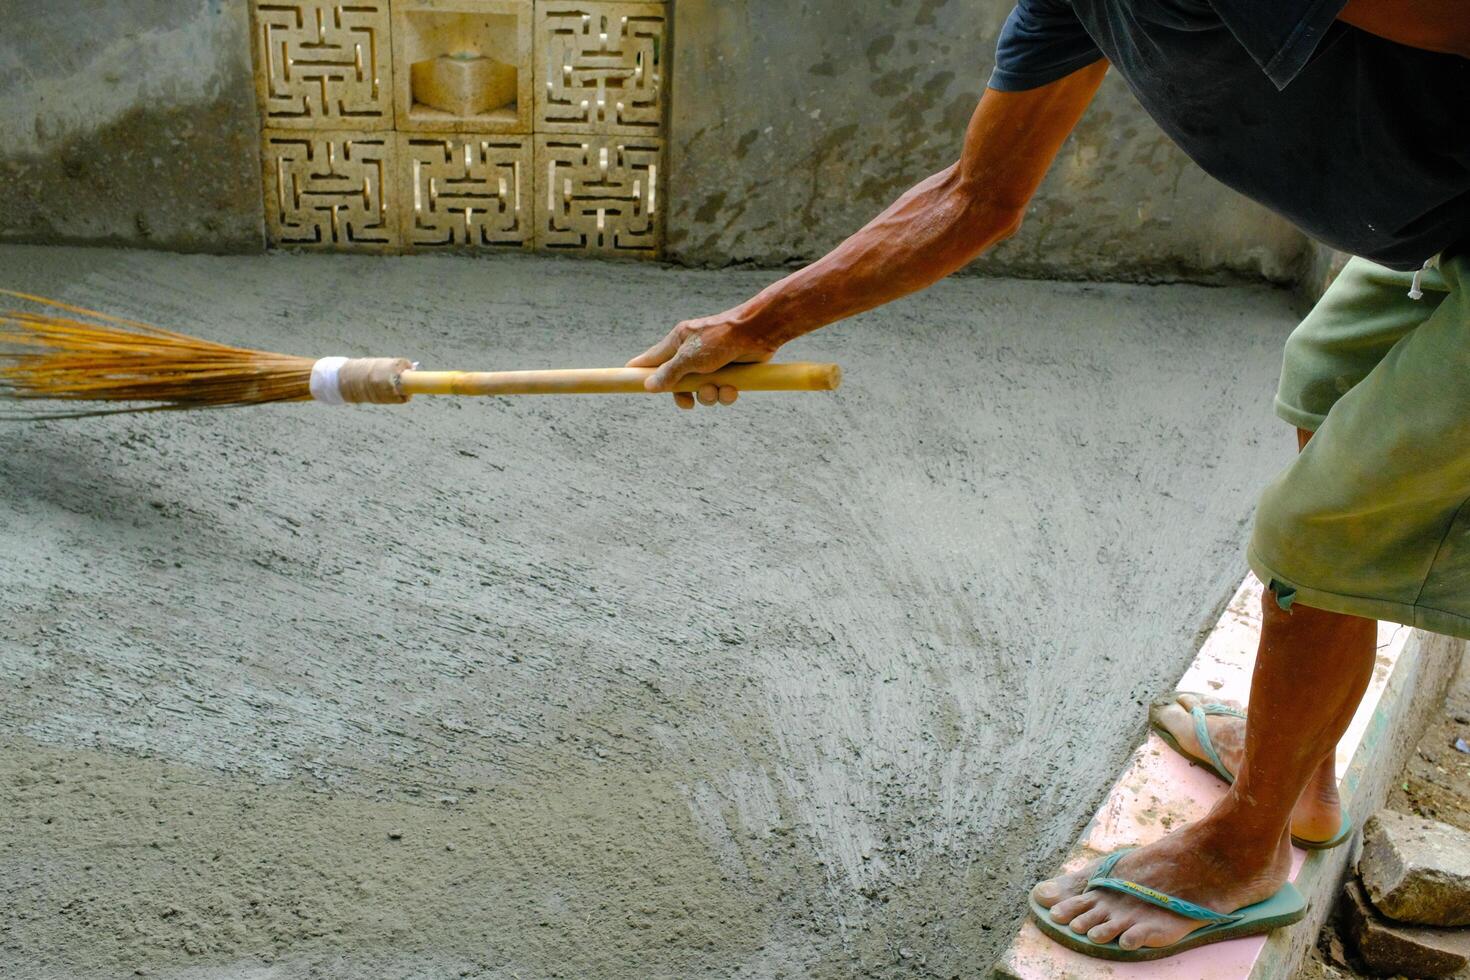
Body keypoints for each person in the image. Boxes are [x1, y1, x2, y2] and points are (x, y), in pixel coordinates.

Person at [627, 0, 1470, 962]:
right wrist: (758, 325)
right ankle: (1299, 774)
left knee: (1320, 533)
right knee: (1325, 385)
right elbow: (973, 198)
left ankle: (1245, 848)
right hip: (1438, 231)